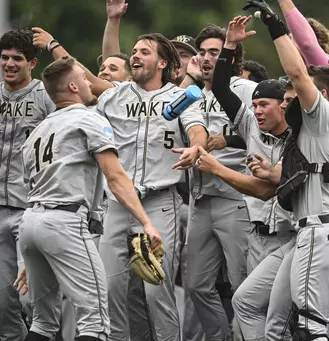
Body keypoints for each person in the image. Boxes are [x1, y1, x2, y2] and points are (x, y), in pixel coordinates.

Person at [17, 55, 162, 341]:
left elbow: (28, 186)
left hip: (30, 222)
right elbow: (116, 177)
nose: (88, 82)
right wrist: (146, 222)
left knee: (43, 324)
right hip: (64, 222)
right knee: (95, 323)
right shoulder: (88, 117)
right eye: (83, 78)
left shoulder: (38, 131)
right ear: (72, 86)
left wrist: (31, 252)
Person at [244, 2, 329, 340]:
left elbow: (298, 71)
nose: (286, 99)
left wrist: (275, 27)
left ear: (319, 94)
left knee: (312, 330)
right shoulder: (325, 125)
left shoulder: (321, 113)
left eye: (292, 95)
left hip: (321, 232)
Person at [88, 32, 207, 341]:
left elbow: (197, 130)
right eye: (135, 51)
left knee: (157, 291)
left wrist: (196, 147)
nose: (136, 56)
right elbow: (83, 80)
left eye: (145, 51)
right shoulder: (118, 93)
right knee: (112, 290)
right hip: (118, 203)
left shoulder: (179, 96)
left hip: (160, 202)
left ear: (162, 62)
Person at [205, 16, 295, 340]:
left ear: (283, 107)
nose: (256, 111)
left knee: (285, 319)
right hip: (257, 235)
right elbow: (220, 88)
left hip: (289, 235)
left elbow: (272, 187)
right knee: (250, 309)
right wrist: (229, 45)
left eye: (264, 105)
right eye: (254, 104)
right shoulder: (249, 126)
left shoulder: (301, 136)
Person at [178, 23, 256, 341]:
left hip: (235, 196)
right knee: (195, 284)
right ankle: (220, 337)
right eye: (203, 52)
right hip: (200, 197)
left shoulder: (245, 89)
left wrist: (225, 139)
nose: (207, 57)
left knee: (242, 284)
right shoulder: (194, 94)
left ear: (229, 54)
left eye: (214, 51)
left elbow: (264, 135)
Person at [0, 28, 55, 341]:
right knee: (2, 301)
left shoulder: (46, 97)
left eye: (17, 58)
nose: (9, 63)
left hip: (31, 209)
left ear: (32, 63)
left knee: (31, 295)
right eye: (5, 57)